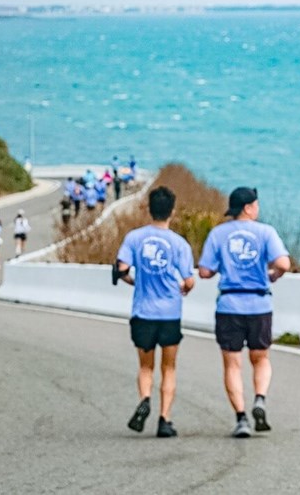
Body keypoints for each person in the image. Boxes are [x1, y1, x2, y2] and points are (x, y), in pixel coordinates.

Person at [198, 187, 291, 438]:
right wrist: (272, 275)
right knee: (261, 358)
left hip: (229, 305)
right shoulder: (265, 232)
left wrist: (223, 267)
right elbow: (283, 263)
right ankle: (259, 398)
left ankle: (241, 418)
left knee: (232, 364)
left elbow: (204, 271)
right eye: (256, 204)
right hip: (259, 304)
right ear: (248, 208)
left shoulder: (219, 234)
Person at [115, 186, 195, 438]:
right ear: (172, 211)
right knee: (169, 368)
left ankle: (145, 399)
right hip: (170, 312)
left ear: (149, 209)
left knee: (146, 367)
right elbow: (189, 279)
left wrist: (134, 281)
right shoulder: (179, 243)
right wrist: (184, 287)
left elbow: (122, 268)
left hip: (143, 312)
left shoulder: (134, 238)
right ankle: (164, 419)